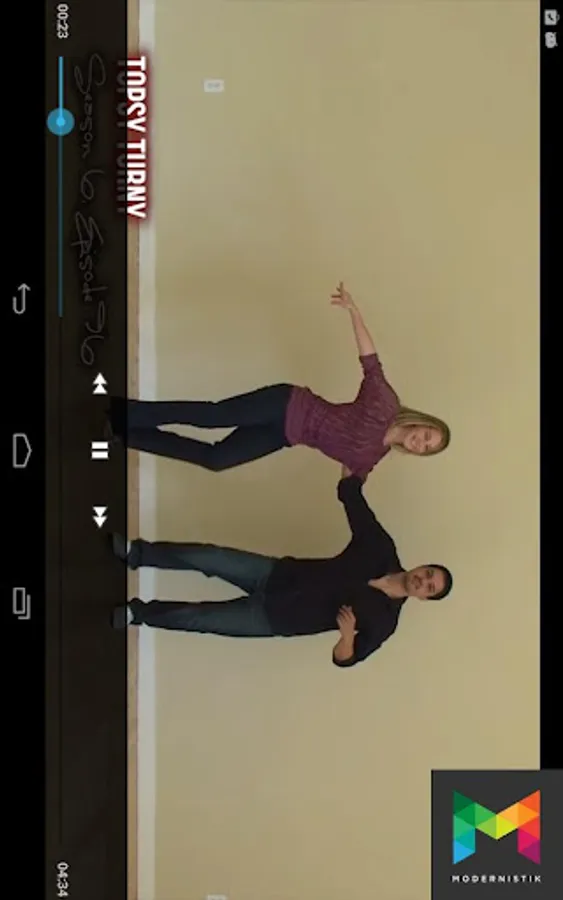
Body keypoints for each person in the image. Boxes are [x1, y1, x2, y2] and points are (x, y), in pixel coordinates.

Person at [111, 469, 453, 667]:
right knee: (208, 557)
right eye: (428, 574)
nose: (423, 581)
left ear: (424, 598)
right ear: (422, 566)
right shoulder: (381, 549)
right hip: (276, 573)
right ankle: (136, 553)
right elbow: (352, 497)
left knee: (199, 618)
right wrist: (355, 454)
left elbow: (346, 660)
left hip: (275, 619)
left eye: (429, 587)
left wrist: (347, 637)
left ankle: (137, 613)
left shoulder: (385, 622)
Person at [108, 283, 450, 480]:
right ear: (422, 423)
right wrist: (354, 312)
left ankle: (127, 434)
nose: (421, 442)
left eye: (427, 448)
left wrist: (353, 501)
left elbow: (350, 485)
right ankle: (126, 412)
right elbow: (371, 361)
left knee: (217, 460)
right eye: (427, 435)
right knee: (211, 416)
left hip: (285, 435)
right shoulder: (385, 404)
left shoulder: (371, 458)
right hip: (287, 404)